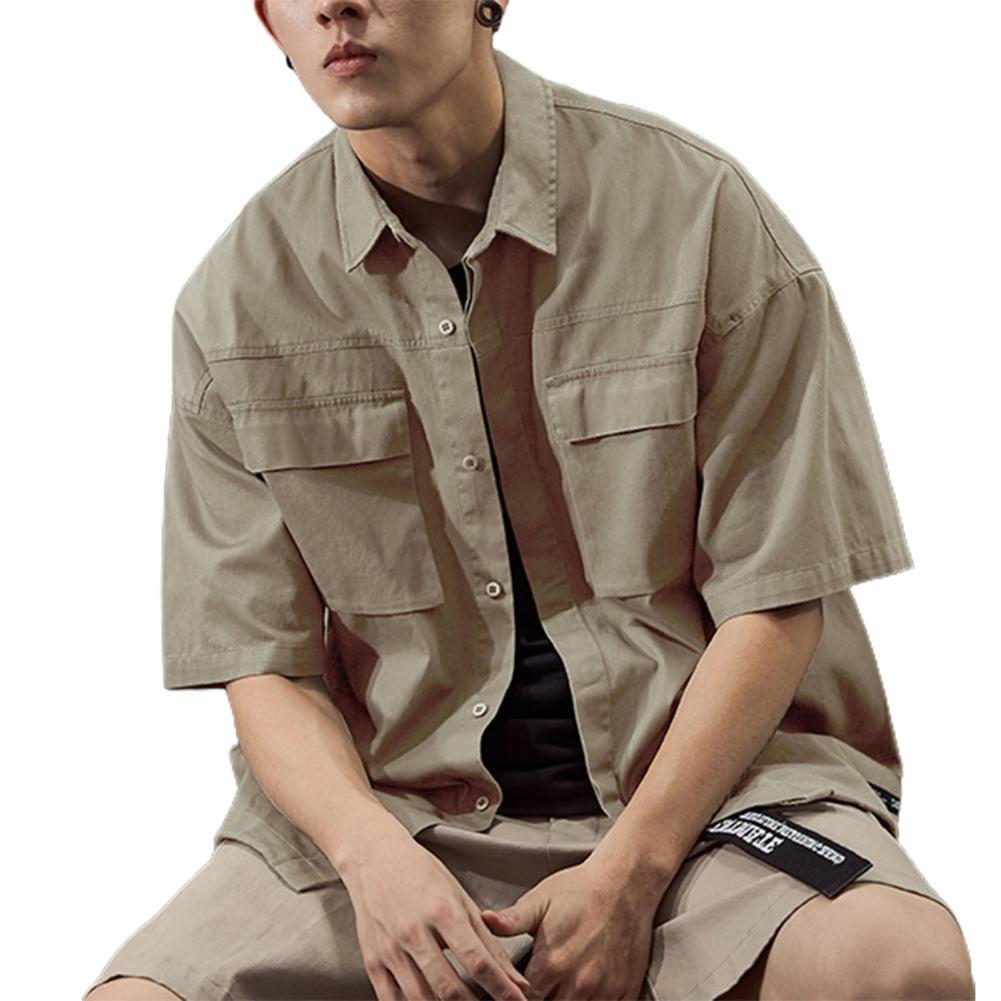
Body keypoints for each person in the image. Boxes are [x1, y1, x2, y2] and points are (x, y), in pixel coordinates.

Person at [83, 2, 976, 999]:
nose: (334, 4)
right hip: (395, 819)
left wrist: (632, 870)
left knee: (898, 970)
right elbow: (264, 667)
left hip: (710, 806)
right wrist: (371, 858)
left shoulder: (697, 212)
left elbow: (774, 598)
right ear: (267, 24)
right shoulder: (235, 301)